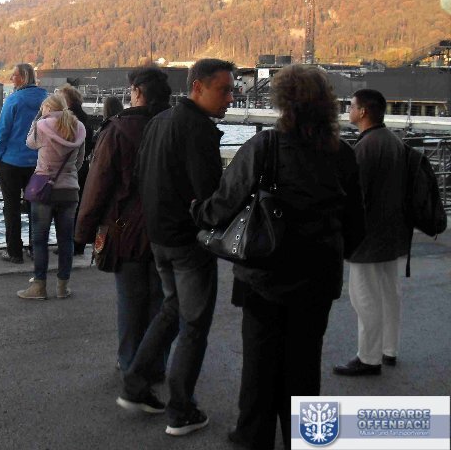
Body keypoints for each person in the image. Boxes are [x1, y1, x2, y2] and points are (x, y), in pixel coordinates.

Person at [191, 64, 365, 450]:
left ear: (283, 102)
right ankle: (306, 439)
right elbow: (356, 224)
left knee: (260, 363)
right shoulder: (342, 154)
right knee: (305, 364)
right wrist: (334, 255)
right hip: (318, 279)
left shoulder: (264, 146)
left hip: (264, 278)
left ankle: (252, 436)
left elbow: (224, 203)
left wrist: (196, 212)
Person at [117, 58, 235, 437]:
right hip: (189, 241)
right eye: (224, 90)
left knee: (171, 310)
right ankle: (181, 409)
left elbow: (140, 177)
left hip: (159, 238)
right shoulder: (198, 130)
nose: (230, 98)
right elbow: (209, 195)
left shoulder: (159, 121)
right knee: (193, 325)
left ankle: (135, 383)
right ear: (198, 87)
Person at [75, 67, 172, 378]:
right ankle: (156, 363)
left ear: (137, 92)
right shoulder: (175, 127)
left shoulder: (118, 130)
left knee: (131, 299)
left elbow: (98, 184)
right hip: (168, 228)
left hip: (127, 229)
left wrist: (82, 232)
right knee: (159, 300)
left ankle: (131, 363)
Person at [334, 89, 410, 376]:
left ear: (363, 111)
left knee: (364, 296)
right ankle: (389, 349)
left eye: (351, 106)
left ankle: (368, 357)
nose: (348, 110)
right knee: (390, 293)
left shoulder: (365, 147)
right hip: (393, 231)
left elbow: (356, 194)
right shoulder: (393, 141)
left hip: (368, 236)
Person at [17, 93, 86, 300]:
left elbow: (29, 143)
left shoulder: (41, 126)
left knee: (40, 240)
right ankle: (63, 287)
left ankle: (39, 286)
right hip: (69, 191)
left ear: (48, 108)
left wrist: (37, 118)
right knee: (66, 240)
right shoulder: (78, 127)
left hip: (44, 191)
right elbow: (79, 162)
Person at [0, 63, 47, 264]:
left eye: (14, 75)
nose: (11, 79)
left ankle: (14, 251)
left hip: (11, 161)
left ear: (23, 78)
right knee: (36, 208)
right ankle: (36, 249)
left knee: (12, 207)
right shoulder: (46, 99)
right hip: (38, 162)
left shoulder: (13, 100)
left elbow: (2, 131)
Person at [59, 84, 94, 255]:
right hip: (84, 167)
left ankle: (68, 244)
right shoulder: (86, 119)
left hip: (70, 167)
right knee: (79, 206)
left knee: (66, 208)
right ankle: (78, 242)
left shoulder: (68, 119)